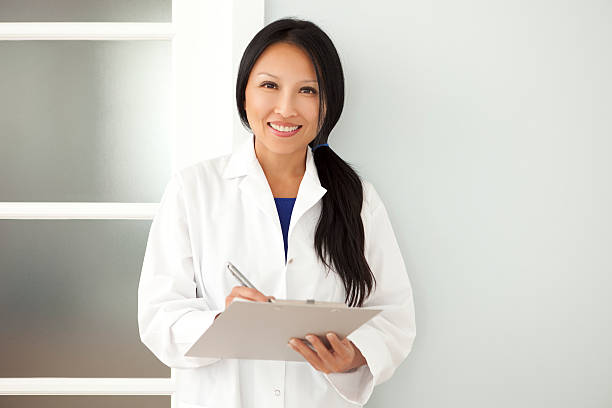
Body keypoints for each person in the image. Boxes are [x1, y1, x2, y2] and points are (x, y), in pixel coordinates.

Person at [138, 17, 416, 408]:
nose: (285, 108)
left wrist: (351, 355)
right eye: (269, 85)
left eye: (307, 90)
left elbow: (394, 316)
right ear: (245, 93)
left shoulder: (358, 199)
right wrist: (222, 324)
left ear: (327, 104)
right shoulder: (193, 190)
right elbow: (158, 316)